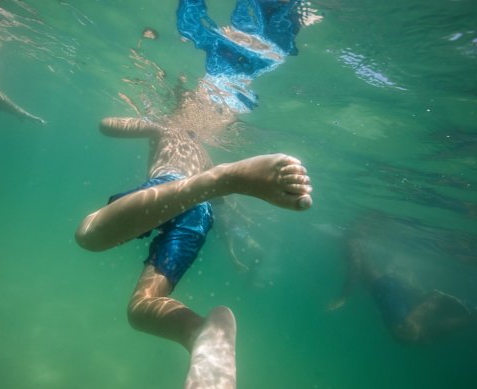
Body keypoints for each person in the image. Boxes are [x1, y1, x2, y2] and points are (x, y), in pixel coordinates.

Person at [75, 114, 312, 387]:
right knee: (140, 308)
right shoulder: (203, 154)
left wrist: (150, 124)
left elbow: (107, 124)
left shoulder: (165, 127)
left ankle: (221, 178)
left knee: (88, 235)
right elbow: (219, 205)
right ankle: (201, 333)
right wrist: (233, 241)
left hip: (168, 188)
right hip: (200, 210)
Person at [328, 214, 477, 344]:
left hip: (384, 288)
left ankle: (438, 301)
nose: (369, 230)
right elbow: (366, 268)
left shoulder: (352, 242)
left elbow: (355, 269)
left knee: (406, 329)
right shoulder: (356, 241)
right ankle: (466, 314)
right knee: (415, 334)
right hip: (387, 286)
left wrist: (344, 297)